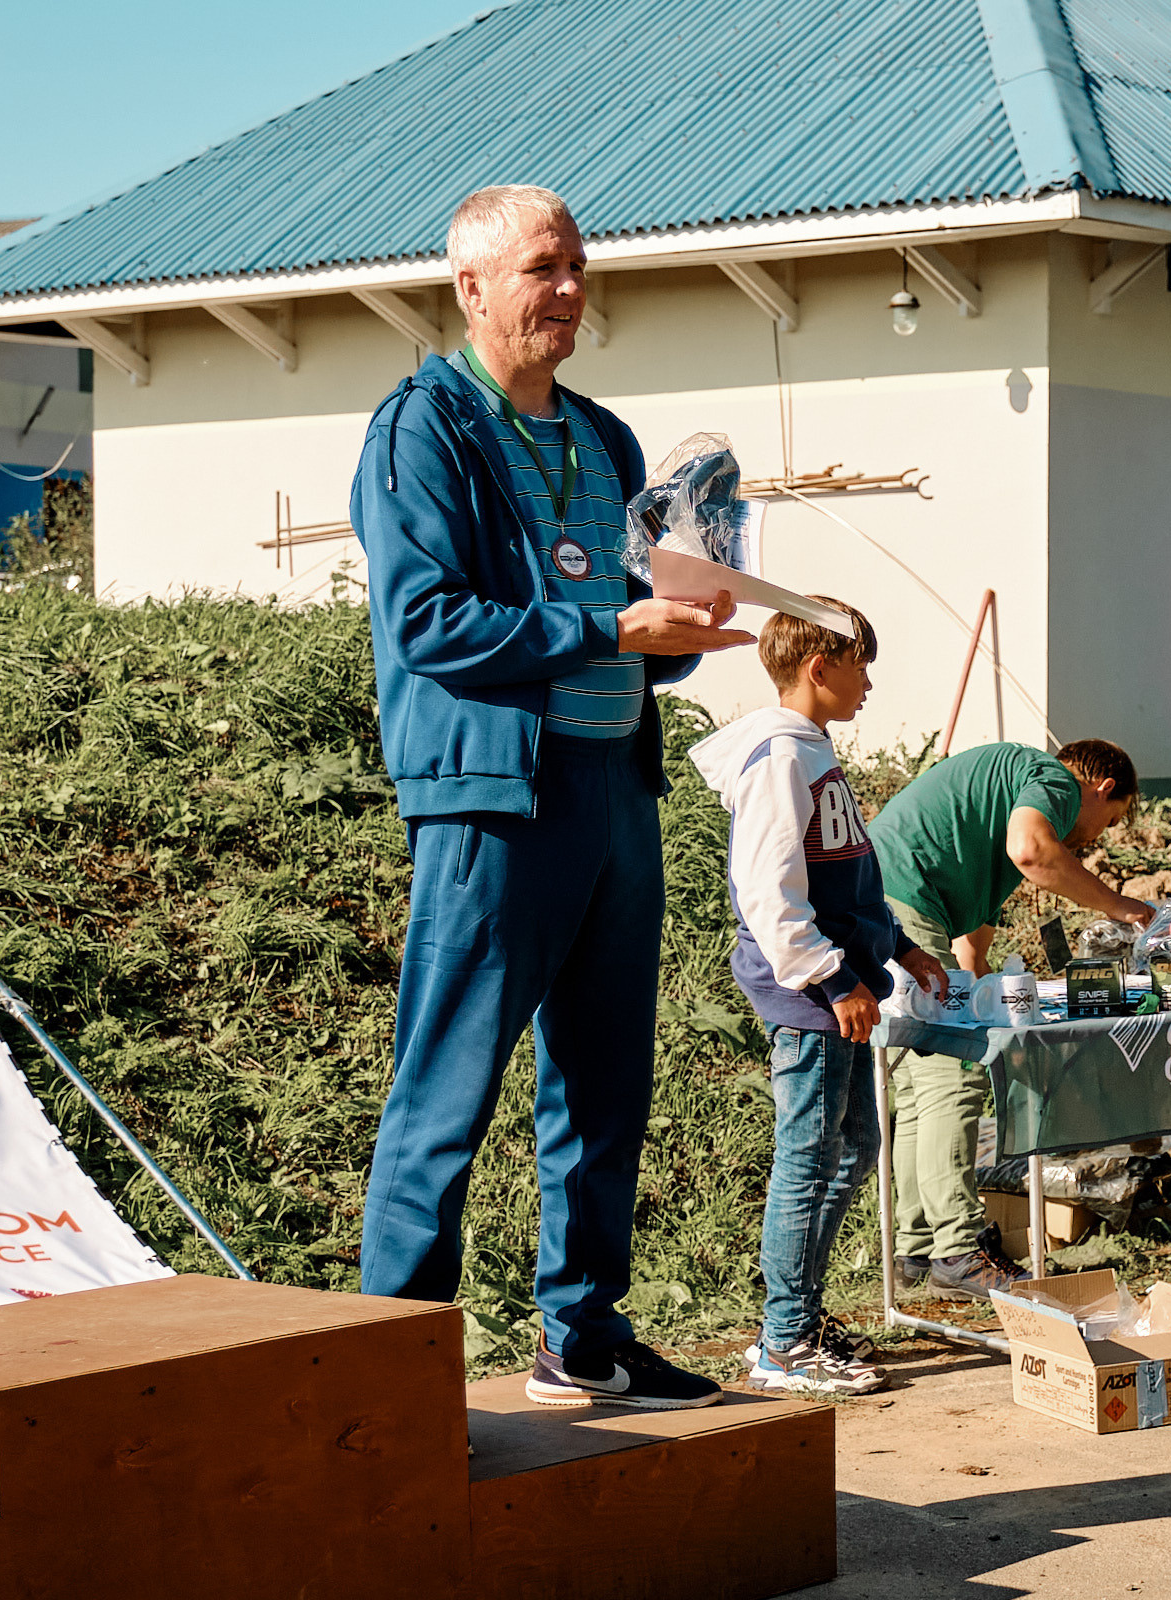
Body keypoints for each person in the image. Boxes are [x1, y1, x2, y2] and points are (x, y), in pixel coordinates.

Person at [353, 185, 751, 1410]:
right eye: (542, 269)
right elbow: (429, 624)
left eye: (578, 266)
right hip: (491, 801)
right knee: (447, 1096)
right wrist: (610, 623)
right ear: (472, 287)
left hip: (614, 791)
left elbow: (639, 631)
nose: (569, 289)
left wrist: (684, 628)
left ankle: (581, 1332)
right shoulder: (425, 430)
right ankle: (391, 1380)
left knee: (603, 1082)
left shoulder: (610, 439)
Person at [692, 600, 948, 1396]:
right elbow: (769, 891)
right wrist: (834, 978)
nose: (870, 681)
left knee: (853, 1151)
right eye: (862, 664)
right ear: (820, 667)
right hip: (812, 998)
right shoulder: (778, 758)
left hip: (843, 983)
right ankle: (784, 1343)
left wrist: (896, 945)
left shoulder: (813, 751)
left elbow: (845, 875)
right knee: (808, 1161)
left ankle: (797, 1313)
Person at [869, 740, 1152, 1297]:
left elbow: (972, 947)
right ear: (1101, 789)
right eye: (1110, 820)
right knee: (951, 1080)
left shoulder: (1002, 807)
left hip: (882, 899)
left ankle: (918, 1250)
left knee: (922, 1084)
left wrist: (986, 1013)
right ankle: (958, 1252)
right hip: (902, 903)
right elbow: (1033, 851)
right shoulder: (1052, 780)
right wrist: (1123, 906)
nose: (1093, 838)